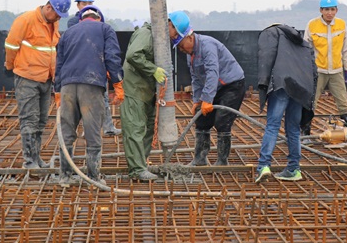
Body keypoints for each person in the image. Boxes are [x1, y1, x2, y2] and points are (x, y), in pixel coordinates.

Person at [54, 5, 124, 186]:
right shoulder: (105, 29)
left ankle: (65, 177)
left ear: (81, 19)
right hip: (91, 86)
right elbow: (112, 57)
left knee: (67, 133)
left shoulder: (68, 33)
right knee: (92, 133)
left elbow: (59, 63)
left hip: (67, 86)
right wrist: (117, 83)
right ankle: (93, 177)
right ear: (98, 18)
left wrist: (57, 90)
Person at [4, 0, 71, 171]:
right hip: (27, 78)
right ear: (48, 7)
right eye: (57, 14)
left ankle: (36, 157)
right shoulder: (26, 20)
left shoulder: (53, 23)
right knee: (29, 120)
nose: (58, 18)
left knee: (41, 121)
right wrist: (10, 66)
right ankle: (29, 161)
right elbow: (11, 45)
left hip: (46, 78)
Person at [168, 11, 245, 166]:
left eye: (182, 45)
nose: (182, 50)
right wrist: (197, 101)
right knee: (202, 120)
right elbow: (196, 78)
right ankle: (200, 159)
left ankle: (222, 161)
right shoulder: (190, 54)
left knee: (222, 121)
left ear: (189, 37)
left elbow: (212, 73)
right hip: (215, 87)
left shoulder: (207, 45)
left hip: (232, 85)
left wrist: (207, 99)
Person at [254, 24, 317, 183]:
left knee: (273, 125)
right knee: (294, 129)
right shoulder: (301, 42)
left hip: (281, 84)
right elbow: (313, 70)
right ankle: (294, 169)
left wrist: (264, 84)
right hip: (299, 87)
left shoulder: (270, 34)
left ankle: (264, 166)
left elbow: (266, 57)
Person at [67, 0, 121, 136]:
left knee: (103, 98)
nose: (87, 5)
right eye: (84, 3)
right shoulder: (73, 22)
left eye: (89, 3)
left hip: (98, 66)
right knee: (83, 102)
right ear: (78, 5)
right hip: (81, 67)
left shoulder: (98, 19)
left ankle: (108, 127)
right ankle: (87, 129)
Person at [120, 22, 167, 181]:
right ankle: (137, 169)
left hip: (145, 90)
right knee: (135, 128)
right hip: (134, 88)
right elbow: (133, 55)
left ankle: (141, 165)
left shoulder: (157, 39)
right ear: (170, 26)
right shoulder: (146, 34)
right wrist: (152, 70)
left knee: (147, 128)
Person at [304, 0, 347, 135]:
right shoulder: (312, 25)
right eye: (326, 9)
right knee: (311, 102)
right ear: (321, 10)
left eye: (332, 9)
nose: (329, 13)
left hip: (336, 71)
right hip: (318, 71)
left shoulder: (341, 25)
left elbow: (346, 48)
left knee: (343, 104)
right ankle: (305, 133)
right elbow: (306, 49)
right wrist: (308, 70)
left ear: (336, 10)